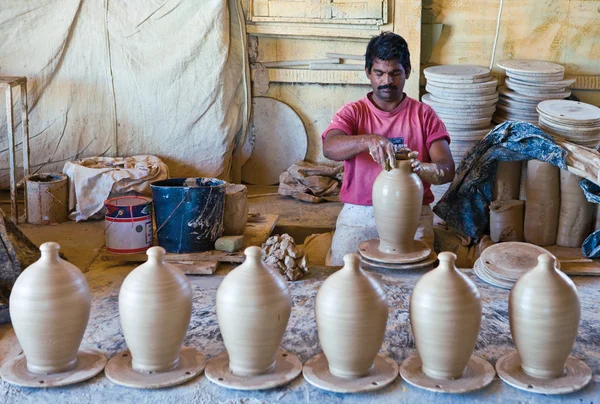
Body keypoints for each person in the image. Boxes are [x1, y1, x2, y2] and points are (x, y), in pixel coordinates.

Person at [322, 32, 455, 266]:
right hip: (359, 212)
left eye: (395, 73)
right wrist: (367, 140)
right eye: (379, 73)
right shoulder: (353, 112)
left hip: (413, 213)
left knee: (415, 280)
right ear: (368, 72)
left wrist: (421, 169)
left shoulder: (424, 115)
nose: (387, 81)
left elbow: (447, 168)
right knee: (341, 274)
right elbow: (329, 147)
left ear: (407, 72)